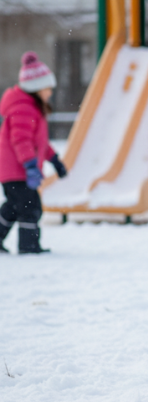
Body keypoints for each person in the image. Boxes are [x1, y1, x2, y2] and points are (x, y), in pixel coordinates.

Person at [0, 52, 68, 254]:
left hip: (13, 170)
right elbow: (21, 140)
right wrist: (30, 165)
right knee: (30, 206)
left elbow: (40, 143)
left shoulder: (30, 108)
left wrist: (55, 160)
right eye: (48, 89)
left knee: (15, 206)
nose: (50, 93)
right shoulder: (24, 108)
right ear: (36, 88)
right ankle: (28, 246)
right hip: (17, 170)